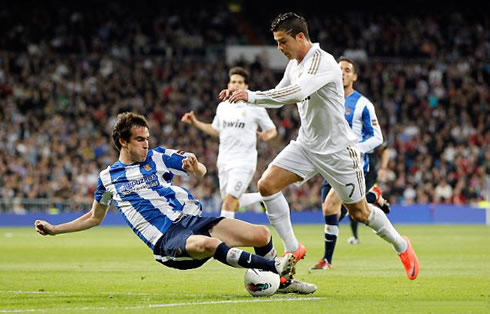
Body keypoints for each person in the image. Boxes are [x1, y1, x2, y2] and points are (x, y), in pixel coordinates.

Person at [220, 12, 419, 280]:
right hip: (306, 145)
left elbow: (298, 92)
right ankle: (293, 248)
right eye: (277, 42)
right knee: (266, 185)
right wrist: (245, 98)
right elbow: (279, 97)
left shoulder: (324, 63)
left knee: (359, 212)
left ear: (300, 37)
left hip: (338, 152)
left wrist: (251, 96)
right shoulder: (294, 65)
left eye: (282, 41)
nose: (280, 48)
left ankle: (402, 246)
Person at [34, 112, 297, 289]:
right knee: (208, 243)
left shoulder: (157, 156)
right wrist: (55, 230)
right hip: (167, 240)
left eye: (147, 138)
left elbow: (200, 169)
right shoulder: (108, 178)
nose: (146, 144)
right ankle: (275, 267)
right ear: (123, 142)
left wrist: (195, 168)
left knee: (261, 234)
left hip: (190, 220)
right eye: (139, 140)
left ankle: (281, 283)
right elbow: (93, 217)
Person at [311, 57, 391, 270]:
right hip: (329, 166)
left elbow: (377, 138)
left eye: (347, 70)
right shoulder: (326, 98)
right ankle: (373, 196)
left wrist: (356, 148)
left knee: (331, 207)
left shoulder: (363, 104)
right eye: (340, 69)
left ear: (354, 76)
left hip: (352, 166)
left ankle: (327, 260)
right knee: (334, 214)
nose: (343, 73)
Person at [181, 66, 277, 219]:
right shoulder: (223, 107)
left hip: (244, 161)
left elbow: (272, 130)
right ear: (228, 85)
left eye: (240, 82)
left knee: (228, 203)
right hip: (224, 161)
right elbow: (215, 130)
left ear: (246, 86)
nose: (236, 85)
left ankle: (224, 241)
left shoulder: (255, 107)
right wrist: (195, 122)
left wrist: (267, 136)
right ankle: (264, 197)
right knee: (232, 203)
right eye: (233, 82)